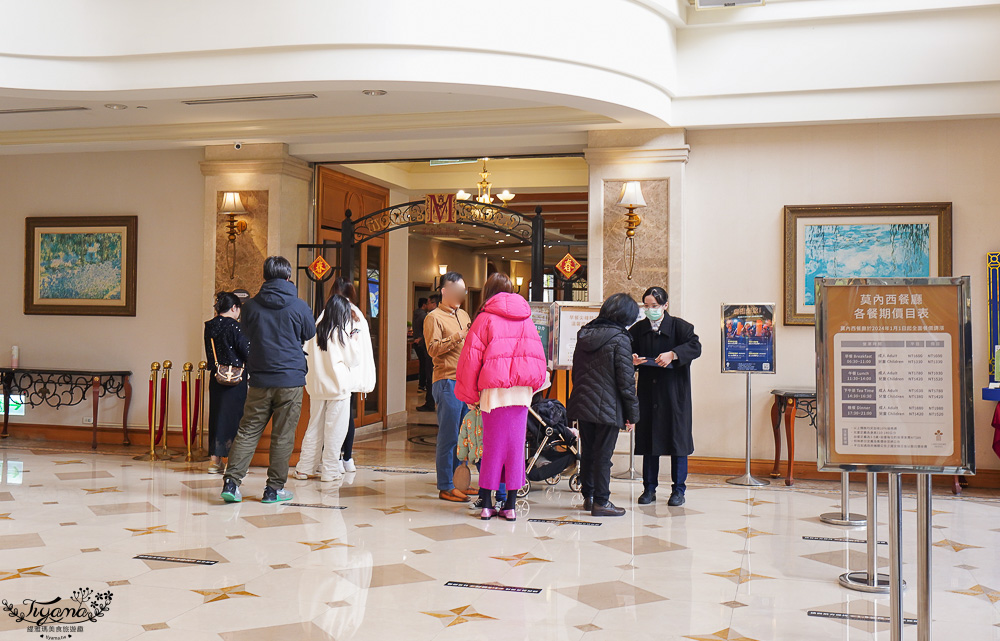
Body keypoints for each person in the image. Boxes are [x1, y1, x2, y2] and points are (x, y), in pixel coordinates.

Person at [221, 256, 316, 504]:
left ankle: (231, 483)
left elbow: (246, 333)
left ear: (264, 276)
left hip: (259, 378)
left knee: (247, 430)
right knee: (283, 435)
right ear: (288, 276)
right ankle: (274, 489)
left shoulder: (251, 306)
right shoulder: (299, 306)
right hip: (291, 379)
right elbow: (309, 332)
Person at [455, 273, 548, 521]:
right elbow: (538, 356)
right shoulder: (526, 318)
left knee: (493, 449)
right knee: (515, 450)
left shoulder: (484, 318)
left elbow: (471, 359)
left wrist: (469, 394)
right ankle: (510, 505)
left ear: (488, 291)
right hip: (520, 393)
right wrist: (532, 386)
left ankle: (487, 504)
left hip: (493, 392)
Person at [567, 293, 640, 517]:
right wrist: (632, 415)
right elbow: (626, 382)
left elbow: (576, 372)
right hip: (609, 405)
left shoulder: (584, 334)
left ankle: (588, 497)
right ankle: (601, 502)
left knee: (589, 451)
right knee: (603, 455)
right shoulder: (620, 338)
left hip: (583, 401)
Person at [630, 286, 702, 507]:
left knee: (678, 442)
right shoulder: (638, 329)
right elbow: (627, 351)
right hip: (649, 394)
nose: (650, 310)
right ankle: (649, 488)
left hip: (674, 395)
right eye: (646, 306)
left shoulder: (681, 327)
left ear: (665, 305)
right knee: (650, 442)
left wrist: (674, 354)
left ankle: (678, 490)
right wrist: (633, 360)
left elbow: (695, 347)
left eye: (654, 306)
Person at [293, 292, 375, 482]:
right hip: (338, 389)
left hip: (316, 388)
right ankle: (329, 471)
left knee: (314, 427)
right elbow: (353, 360)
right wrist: (354, 340)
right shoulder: (340, 333)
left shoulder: (314, 332)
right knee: (335, 430)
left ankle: (304, 468)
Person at [424, 272, 473, 502]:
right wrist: (458, 336)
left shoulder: (463, 314)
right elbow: (432, 349)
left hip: (465, 382)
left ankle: (459, 483)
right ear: (444, 291)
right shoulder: (433, 318)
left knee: (463, 437)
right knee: (449, 436)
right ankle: (446, 486)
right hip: (446, 381)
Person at [203, 291, 250, 475]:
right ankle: (232, 462)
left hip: (217, 377)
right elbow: (246, 351)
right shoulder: (235, 326)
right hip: (236, 379)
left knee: (217, 417)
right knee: (234, 418)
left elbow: (210, 353)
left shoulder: (210, 326)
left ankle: (214, 461)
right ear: (234, 308)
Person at [330, 278, 361, 473]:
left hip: (333, 377)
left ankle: (335, 459)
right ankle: (347, 458)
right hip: (351, 374)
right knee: (347, 417)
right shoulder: (357, 314)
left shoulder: (329, 313)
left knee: (333, 420)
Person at [415, 294, 440, 412]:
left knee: (430, 377)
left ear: (434, 304)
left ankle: (430, 402)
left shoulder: (432, 317)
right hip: (434, 351)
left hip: (432, 352)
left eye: (429, 303)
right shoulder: (434, 316)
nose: (427, 305)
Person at [413, 297, 430, 392]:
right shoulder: (424, 316)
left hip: (416, 341)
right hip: (422, 342)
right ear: (424, 305)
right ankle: (423, 384)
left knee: (422, 364)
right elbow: (427, 331)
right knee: (425, 364)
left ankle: (421, 384)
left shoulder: (415, 314)